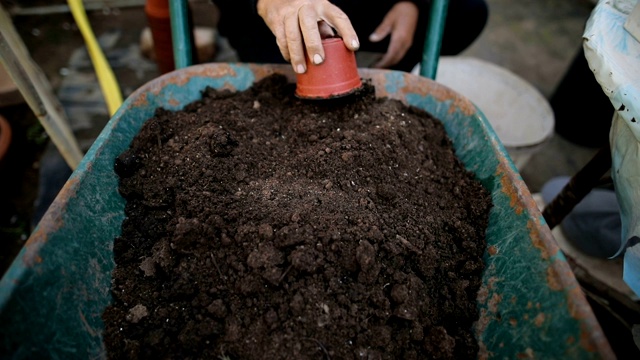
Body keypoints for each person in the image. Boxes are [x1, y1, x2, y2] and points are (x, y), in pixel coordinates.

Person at [212, 0, 488, 73]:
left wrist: (413, 2)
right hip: (269, 14)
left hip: (356, 6)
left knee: (467, 13)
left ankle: (382, 75)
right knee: (291, 76)